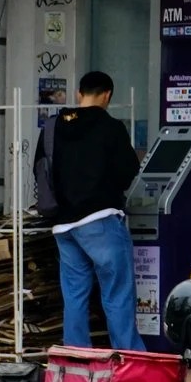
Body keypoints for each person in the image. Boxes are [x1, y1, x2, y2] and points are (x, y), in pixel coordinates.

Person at [34, 70, 142, 351]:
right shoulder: (110, 127)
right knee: (117, 294)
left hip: (64, 226)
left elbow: (41, 169)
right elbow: (128, 170)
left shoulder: (53, 127)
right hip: (100, 220)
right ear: (107, 95)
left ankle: (77, 362)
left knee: (75, 297)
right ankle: (129, 359)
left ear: (79, 94)